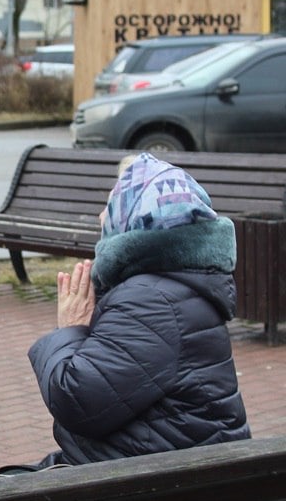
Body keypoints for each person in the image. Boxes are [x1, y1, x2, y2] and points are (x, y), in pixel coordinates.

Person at [28, 153, 250, 468]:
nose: (101, 217)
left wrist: (70, 329)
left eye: (111, 204)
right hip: (164, 477)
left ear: (134, 215)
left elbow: (77, 402)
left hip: (149, 492)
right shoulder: (171, 287)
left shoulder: (150, 301)